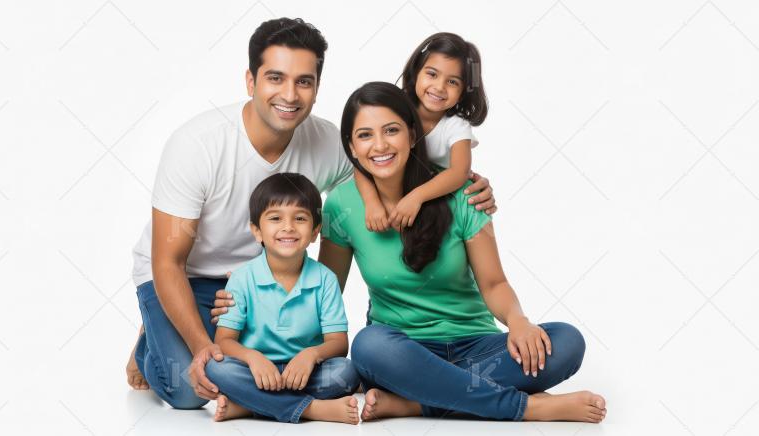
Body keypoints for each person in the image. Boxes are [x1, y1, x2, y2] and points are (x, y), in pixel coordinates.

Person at [126, 17, 498, 410]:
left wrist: (465, 183)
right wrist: (201, 347)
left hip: (263, 284)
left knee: (329, 376)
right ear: (251, 82)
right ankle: (155, 336)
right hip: (183, 273)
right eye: (275, 78)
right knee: (189, 391)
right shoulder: (197, 145)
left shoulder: (325, 141)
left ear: (317, 89)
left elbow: (378, 161)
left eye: (303, 81)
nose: (289, 94)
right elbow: (167, 261)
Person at [215, 82, 606, 423]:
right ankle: (527, 408)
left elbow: (494, 282)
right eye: (365, 136)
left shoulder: (463, 194)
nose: (380, 146)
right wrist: (249, 292)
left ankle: (413, 406)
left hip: (477, 346)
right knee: (368, 347)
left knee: (566, 342)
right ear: (351, 147)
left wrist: (519, 321)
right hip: (400, 352)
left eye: (391, 131)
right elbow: (323, 288)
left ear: (413, 135)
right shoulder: (342, 205)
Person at [204, 173, 360, 424]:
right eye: (275, 218)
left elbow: (339, 343)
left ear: (314, 232)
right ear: (257, 231)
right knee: (216, 367)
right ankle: (311, 409)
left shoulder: (325, 279)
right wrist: (253, 358)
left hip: (305, 374)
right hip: (254, 372)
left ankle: (250, 405)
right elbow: (224, 342)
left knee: (347, 372)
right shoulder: (242, 278)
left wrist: (311, 355)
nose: (288, 227)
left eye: (300, 219)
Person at [356, 32, 489, 232]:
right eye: (432, 74)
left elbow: (459, 172)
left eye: (453, 82)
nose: (439, 87)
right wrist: (372, 203)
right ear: (417, 71)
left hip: (435, 202)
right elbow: (360, 160)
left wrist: (417, 196)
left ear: (464, 91)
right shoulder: (395, 107)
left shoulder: (456, 125)